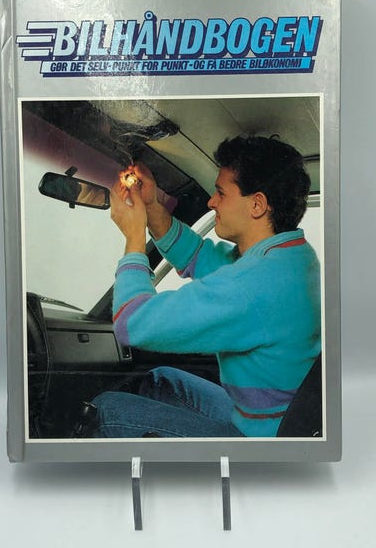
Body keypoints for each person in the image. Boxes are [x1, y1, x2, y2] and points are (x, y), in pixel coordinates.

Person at [91, 135, 321, 438]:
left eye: (221, 193)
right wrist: (152, 207)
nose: (212, 202)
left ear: (257, 204)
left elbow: (131, 324)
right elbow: (200, 258)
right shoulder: (291, 257)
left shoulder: (253, 285)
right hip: (272, 419)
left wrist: (134, 237)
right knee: (162, 381)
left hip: (260, 441)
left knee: (104, 412)